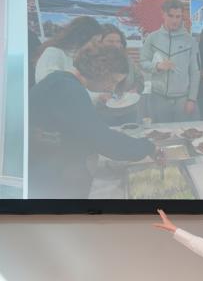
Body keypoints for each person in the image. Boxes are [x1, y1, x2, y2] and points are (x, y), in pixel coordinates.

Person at [28, 44, 156, 198]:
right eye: (113, 81)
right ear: (101, 71)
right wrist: (147, 147)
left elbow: (87, 130)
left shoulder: (62, 81)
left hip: (49, 163)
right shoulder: (68, 89)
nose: (112, 88)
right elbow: (101, 139)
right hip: (45, 174)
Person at [139, 0, 199, 123]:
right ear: (163, 14)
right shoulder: (152, 38)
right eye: (171, 16)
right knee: (160, 132)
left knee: (183, 131)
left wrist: (192, 99)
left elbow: (195, 72)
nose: (175, 20)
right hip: (158, 98)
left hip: (182, 100)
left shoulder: (190, 41)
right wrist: (157, 66)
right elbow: (143, 62)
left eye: (178, 16)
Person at [34, 15, 102, 83]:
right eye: (95, 41)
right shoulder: (53, 53)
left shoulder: (84, 59)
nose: (98, 46)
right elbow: (49, 82)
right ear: (83, 37)